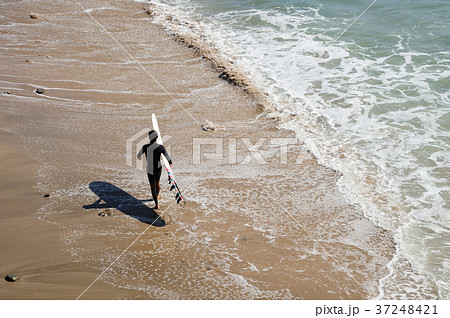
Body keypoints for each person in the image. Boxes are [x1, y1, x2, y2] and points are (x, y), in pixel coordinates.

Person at [137, 130, 172, 210]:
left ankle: (157, 204)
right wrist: (169, 172)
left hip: (150, 168)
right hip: (158, 167)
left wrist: (140, 157)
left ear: (149, 137)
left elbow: (138, 156)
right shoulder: (161, 147)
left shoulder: (145, 147)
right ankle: (157, 196)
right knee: (157, 182)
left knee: (153, 186)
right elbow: (169, 161)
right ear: (157, 138)